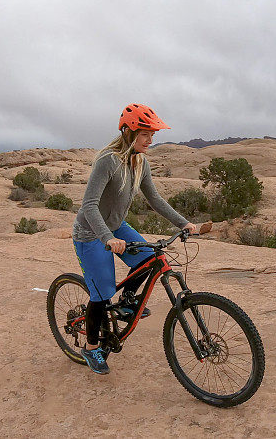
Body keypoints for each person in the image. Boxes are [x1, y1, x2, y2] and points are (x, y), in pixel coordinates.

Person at [72, 103, 198, 375]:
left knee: (150, 257)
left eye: (152, 135)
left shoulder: (140, 162)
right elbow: (89, 205)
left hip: (115, 226)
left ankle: (128, 299)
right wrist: (107, 238)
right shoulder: (108, 161)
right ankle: (92, 348)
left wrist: (184, 223)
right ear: (129, 132)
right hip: (91, 232)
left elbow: (154, 198)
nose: (150, 140)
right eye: (145, 135)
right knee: (102, 294)